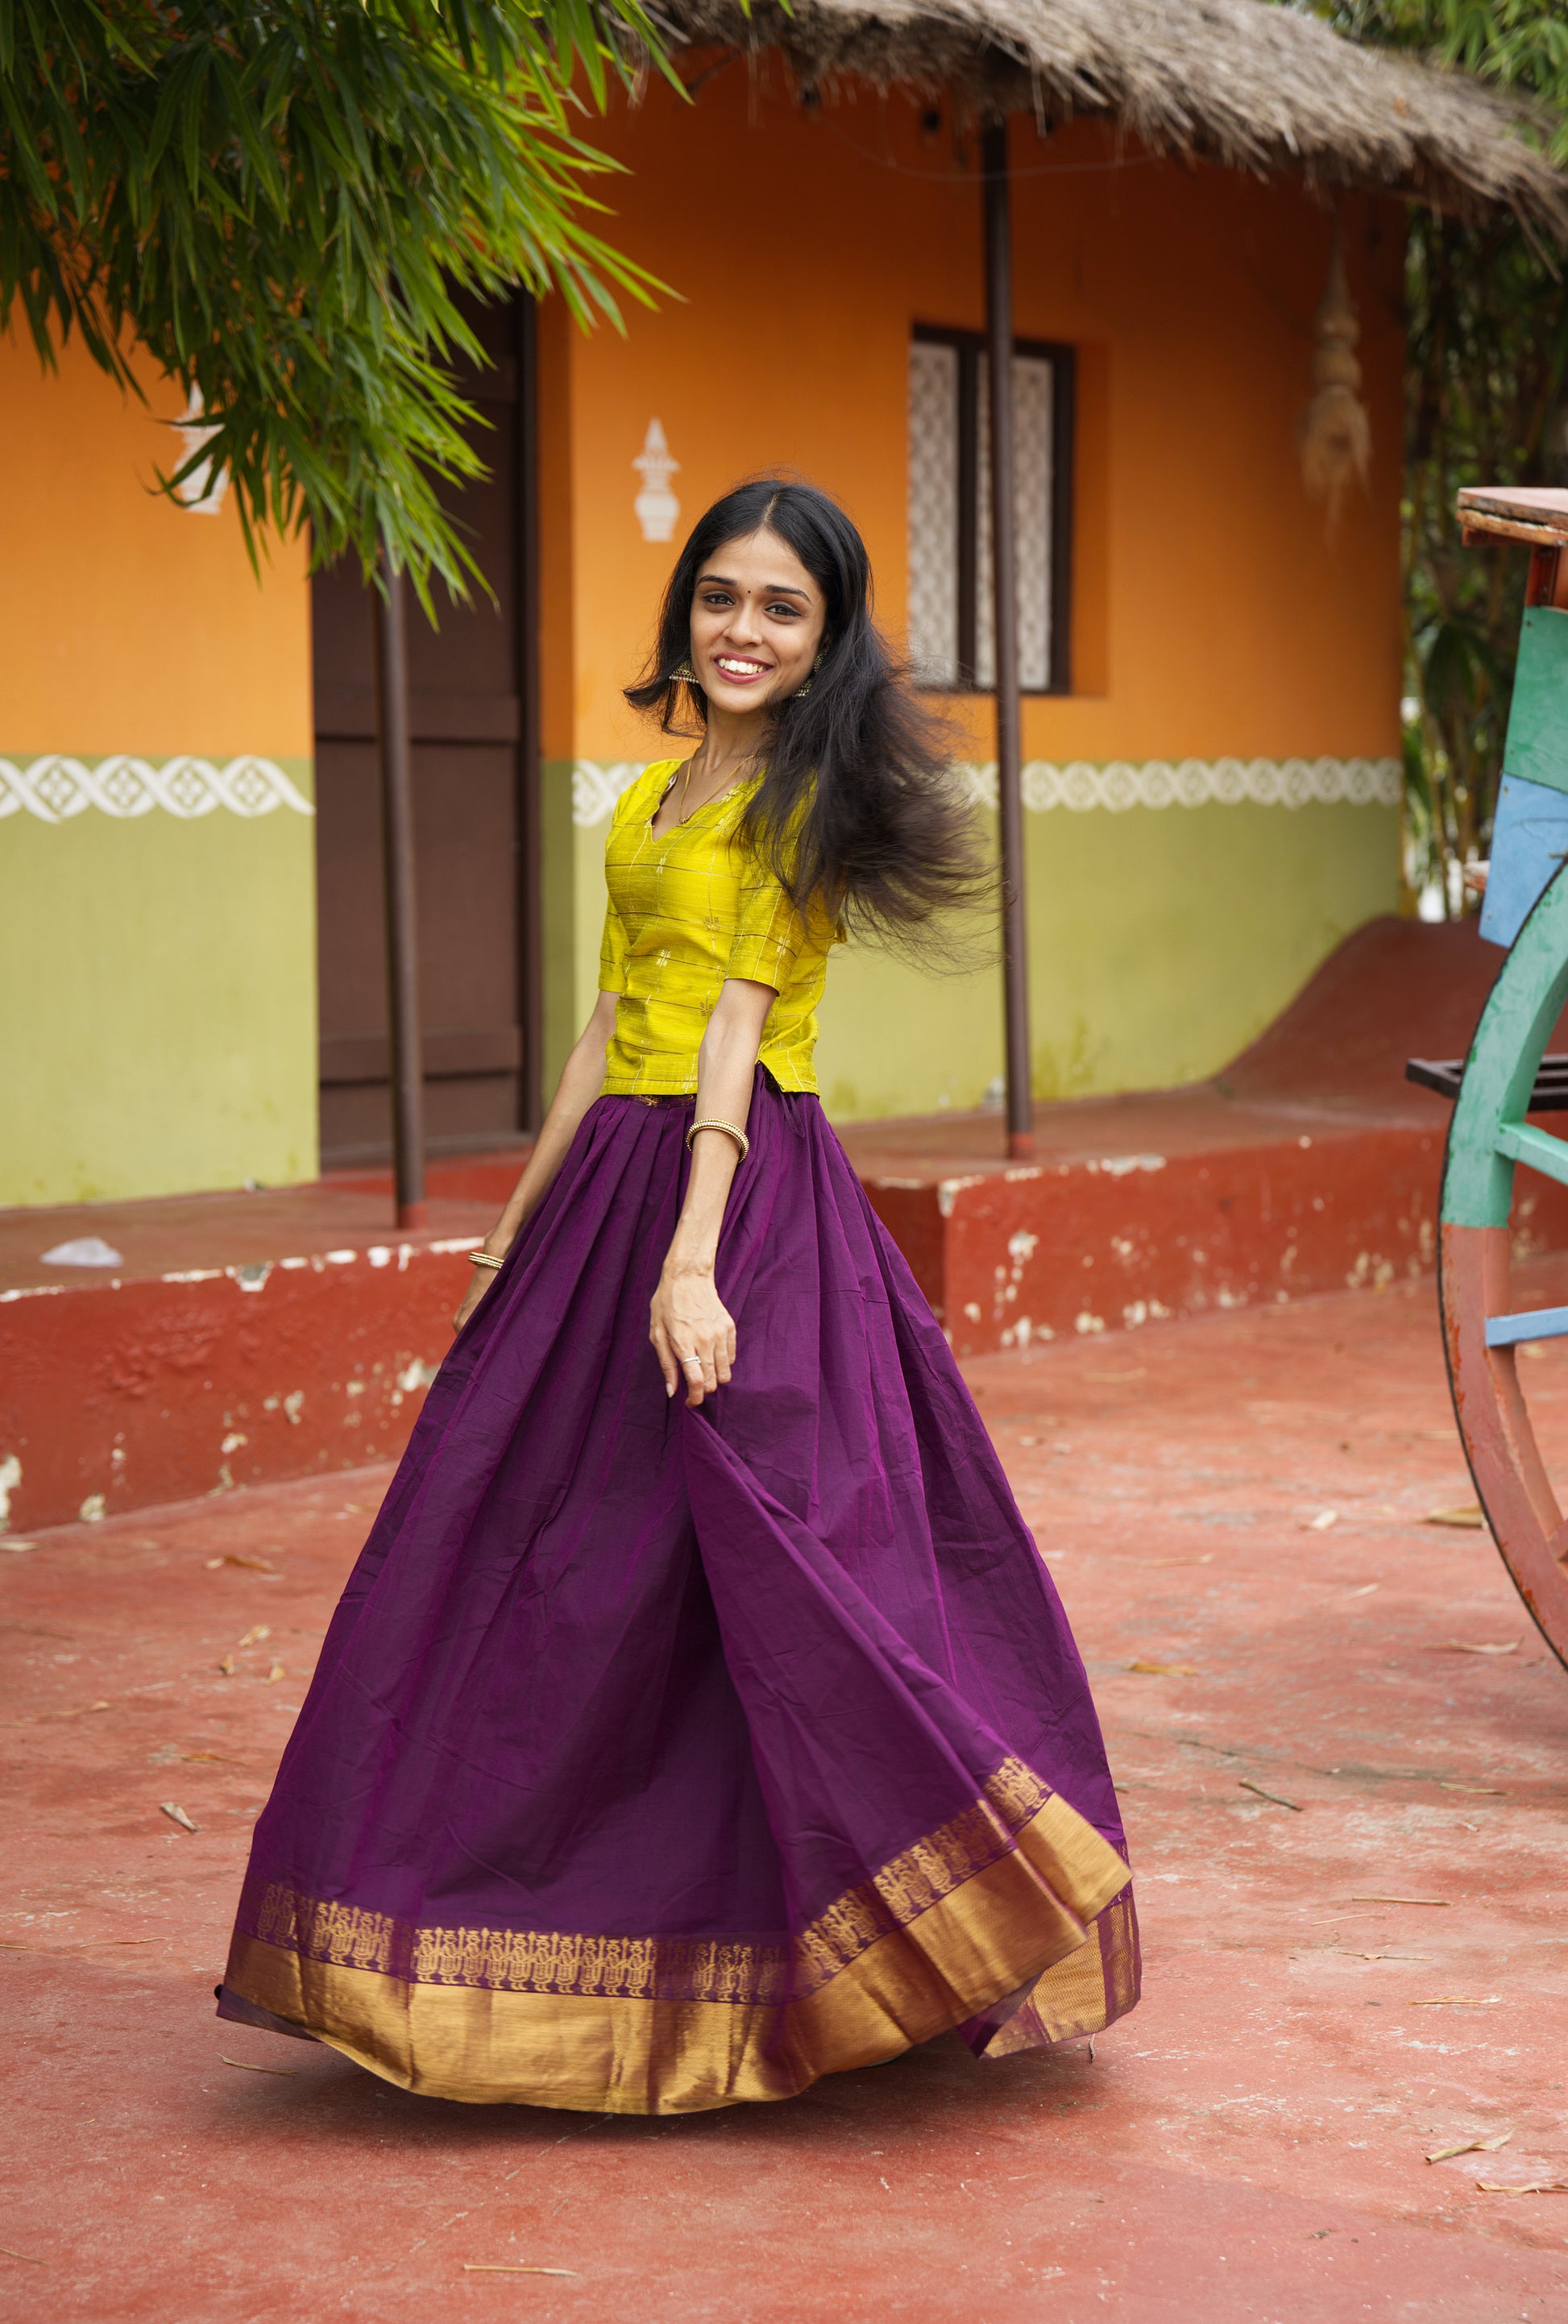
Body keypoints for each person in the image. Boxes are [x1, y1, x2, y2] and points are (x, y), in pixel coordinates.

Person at [218, 478, 1139, 2114]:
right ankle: (556, 1925)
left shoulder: (799, 804)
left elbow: (731, 1030)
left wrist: (695, 1258)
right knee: (556, 1557)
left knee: (776, 1548)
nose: (742, 630)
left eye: (781, 608)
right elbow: (602, 1028)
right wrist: (512, 1239)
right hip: (610, 1191)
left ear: (825, 638)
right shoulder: (646, 802)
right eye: (721, 597)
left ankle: (876, 1927)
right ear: (684, 613)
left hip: (747, 1195)